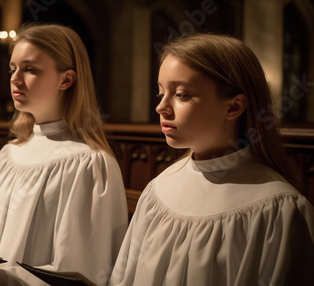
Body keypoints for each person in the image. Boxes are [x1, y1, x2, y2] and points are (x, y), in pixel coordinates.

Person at [0, 23, 129, 286]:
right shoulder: (10, 154)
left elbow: (82, 267)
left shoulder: (88, 163)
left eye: (30, 69)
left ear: (66, 79)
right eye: (13, 69)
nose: (15, 78)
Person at [109, 33, 314, 286]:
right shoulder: (158, 191)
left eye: (182, 95)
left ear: (233, 107)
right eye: (161, 93)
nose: (161, 107)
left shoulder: (278, 209)